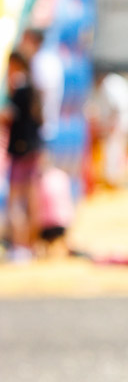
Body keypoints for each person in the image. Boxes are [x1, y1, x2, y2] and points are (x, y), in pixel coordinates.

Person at [2, 51, 43, 261]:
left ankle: (19, 246)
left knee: (16, 201)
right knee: (30, 199)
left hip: (20, 150)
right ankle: (31, 245)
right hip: (33, 149)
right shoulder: (34, 87)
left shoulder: (19, 86)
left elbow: (8, 116)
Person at [18, 28, 64, 144]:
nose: (21, 44)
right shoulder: (47, 59)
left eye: (24, 40)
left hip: (38, 126)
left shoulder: (40, 62)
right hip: (43, 125)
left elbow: (40, 94)